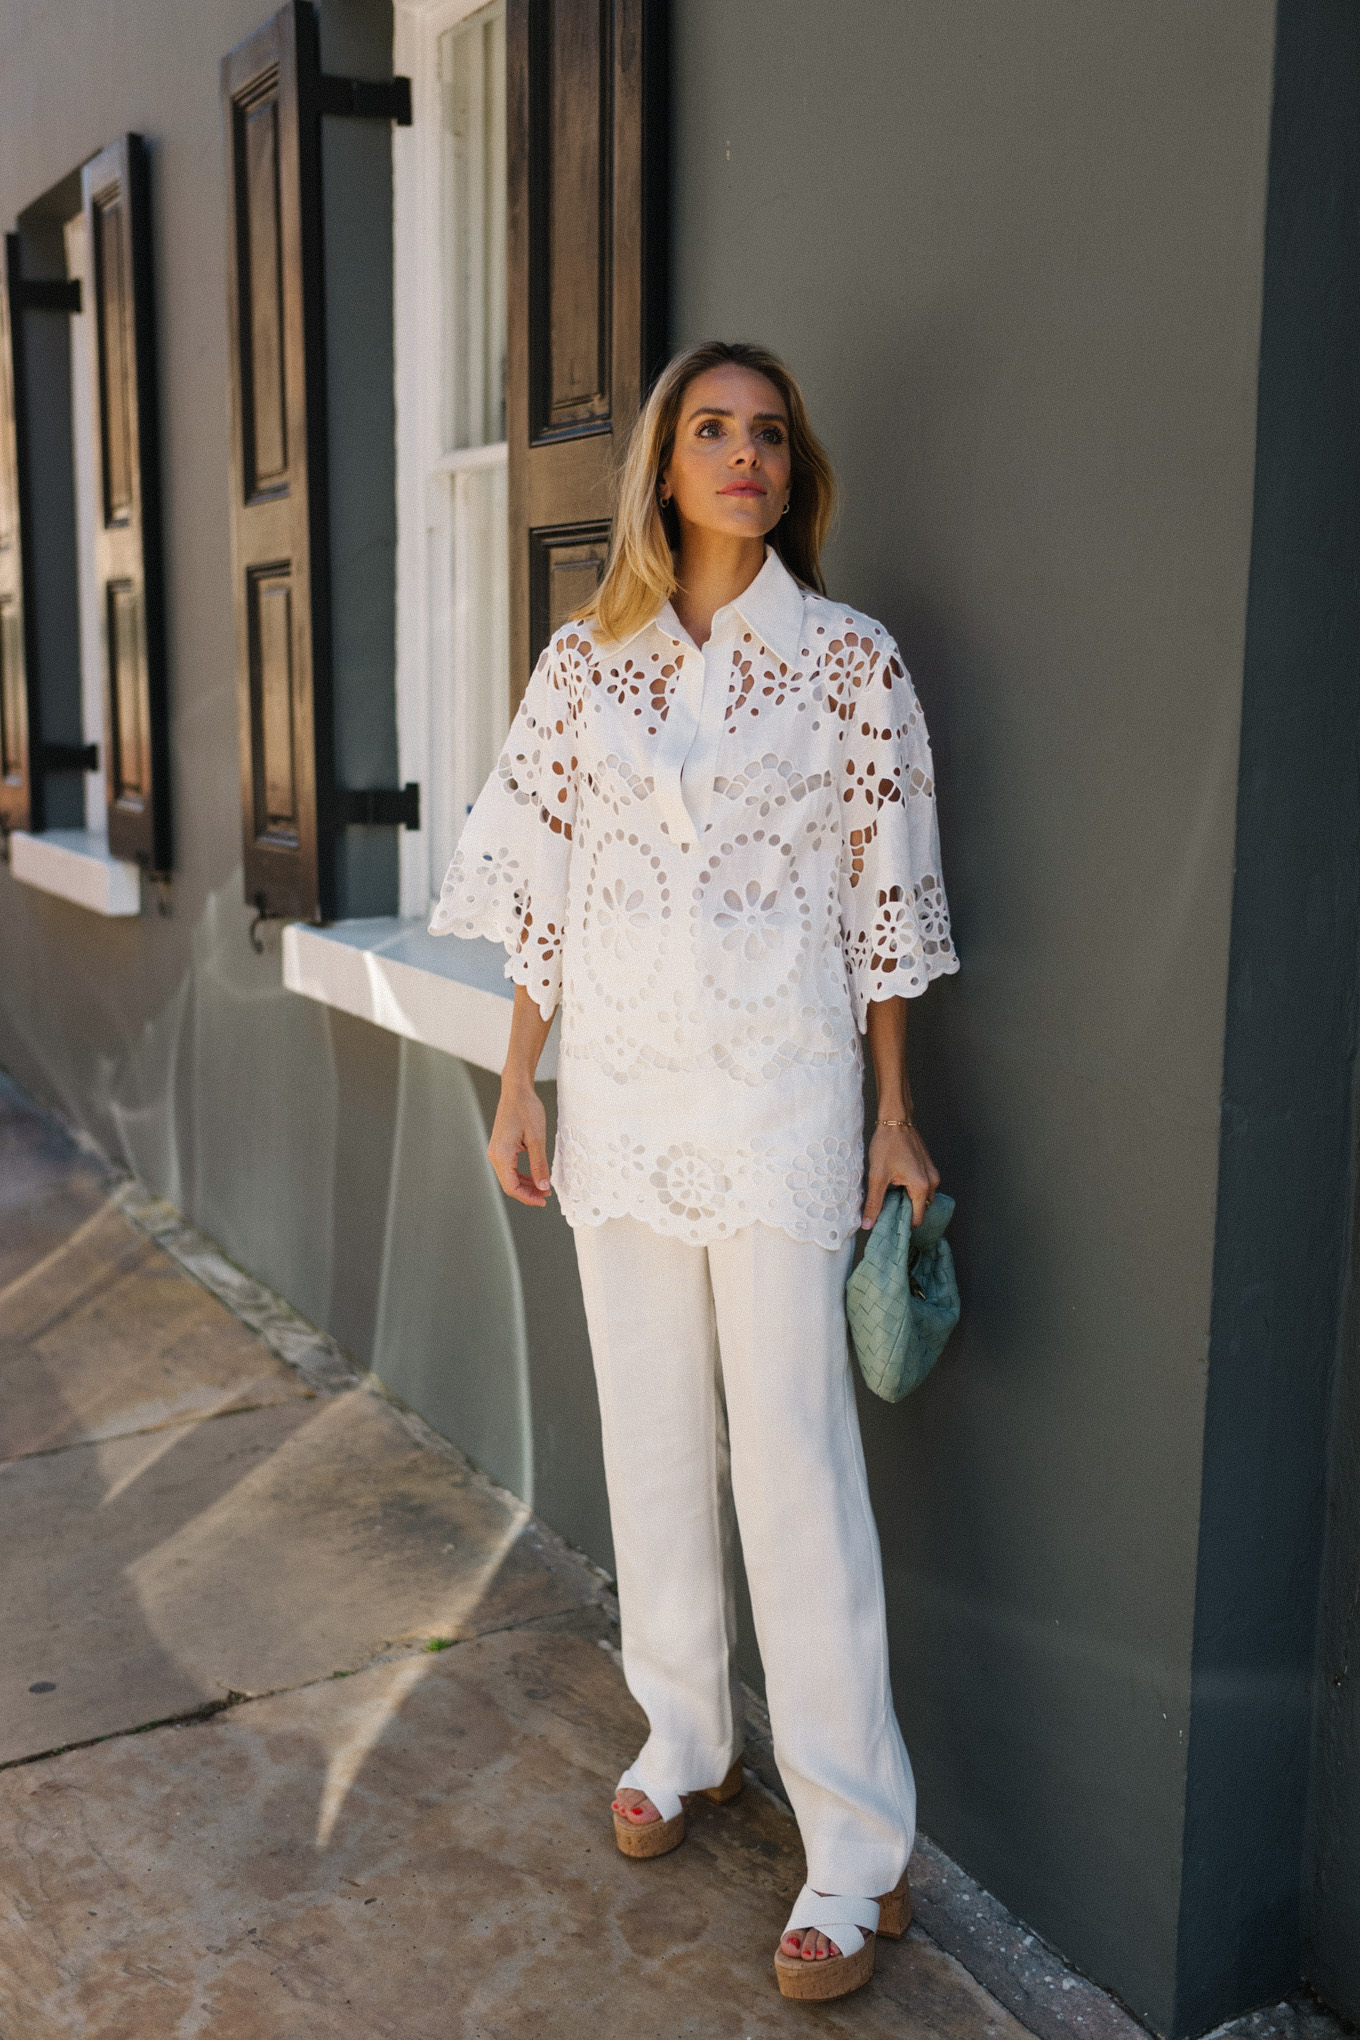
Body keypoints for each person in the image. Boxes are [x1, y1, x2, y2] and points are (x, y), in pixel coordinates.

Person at [431, 339, 958, 2002]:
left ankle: (857, 1849)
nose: (744, 457)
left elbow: (885, 913)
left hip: (789, 1102)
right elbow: (542, 893)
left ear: (794, 472)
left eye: (770, 436)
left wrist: (890, 1114)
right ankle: (683, 1735)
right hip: (625, 1105)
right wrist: (520, 1082)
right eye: (713, 432)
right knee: (651, 1433)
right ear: (663, 465)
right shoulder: (584, 671)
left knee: (794, 1467)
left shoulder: (852, 664)